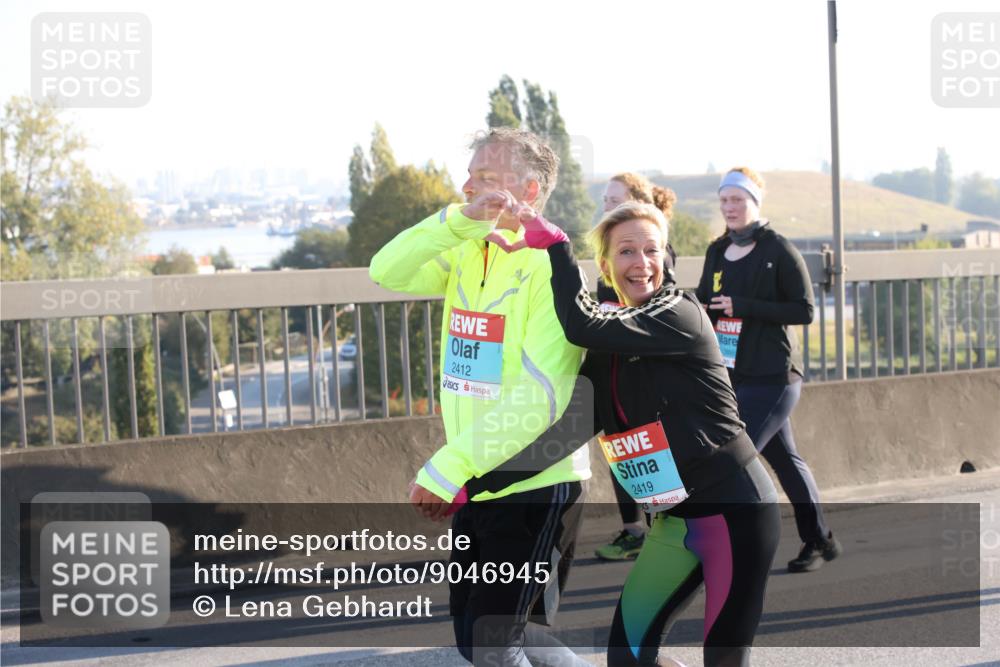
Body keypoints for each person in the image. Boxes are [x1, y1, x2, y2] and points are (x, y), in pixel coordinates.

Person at [474, 201, 781, 667]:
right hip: (674, 523)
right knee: (627, 657)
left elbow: (580, 325)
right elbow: (568, 432)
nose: (642, 263)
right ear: (605, 265)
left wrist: (556, 245)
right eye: (626, 251)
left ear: (666, 258)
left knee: (723, 659)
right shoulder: (613, 342)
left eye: (652, 250)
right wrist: (475, 484)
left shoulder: (679, 313)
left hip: (736, 513)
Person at [369, 127, 592, 666]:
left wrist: (448, 467)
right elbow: (386, 270)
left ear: (530, 191)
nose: (468, 186)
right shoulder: (467, 250)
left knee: (496, 643)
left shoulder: (550, 268)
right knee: (479, 640)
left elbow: (541, 397)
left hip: (534, 479)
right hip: (479, 476)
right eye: (468, 176)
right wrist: (454, 222)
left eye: (486, 177)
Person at [696, 167, 842, 573]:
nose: (729, 207)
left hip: (775, 375)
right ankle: (820, 540)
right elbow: (706, 299)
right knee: (786, 460)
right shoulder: (717, 250)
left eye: (737, 200)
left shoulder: (778, 249)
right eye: (724, 200)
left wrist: (743, 306)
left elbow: (804, 310)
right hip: (734, 372)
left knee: (735, 459)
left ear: (754, 202)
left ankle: (720, 549)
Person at [594, 173, 678, 561]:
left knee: (648, 452)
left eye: (615, 200)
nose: (607, 207)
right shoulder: (611, 253)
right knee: (622, 450)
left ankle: (664, 534)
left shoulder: (656, 261)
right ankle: (635, 531)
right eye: (605, 201)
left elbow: (659, 309)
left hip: (643, 379)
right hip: (614, 375)